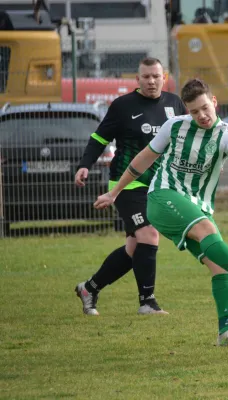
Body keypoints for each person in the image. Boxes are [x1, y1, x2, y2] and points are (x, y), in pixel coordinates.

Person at [93, 78, 228, 347]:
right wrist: (115, 191)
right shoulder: (175, 126)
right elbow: (143, 158)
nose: (201, 115)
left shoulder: (226, 133)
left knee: (218, 266)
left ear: (214, 103)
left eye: (205, 108)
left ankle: (225, 332)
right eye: (194, 111)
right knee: (209, 232)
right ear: (187, 111)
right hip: (162, 197)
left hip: (197, 205)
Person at [74, 57, 187, 316]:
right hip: (126, 184)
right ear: (137, 79)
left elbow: (187, 139)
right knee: (149, 235)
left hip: (158, 185)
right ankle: (147, 302)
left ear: (164, 77)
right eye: (146, 76)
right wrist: (85, 165)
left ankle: (89, 288)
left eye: (156, 76)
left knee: (134, 247)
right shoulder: (123, 106)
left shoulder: (174, 103)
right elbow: (98, 138)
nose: (151, 81)